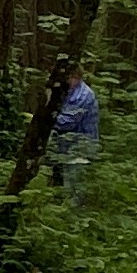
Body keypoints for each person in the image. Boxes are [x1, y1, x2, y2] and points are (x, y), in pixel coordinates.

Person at [50, 71, 102, 204]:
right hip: (66, 149)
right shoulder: (70, 92)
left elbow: (67, 122)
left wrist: (45, 120)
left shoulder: (83, 95)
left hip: (79, 150)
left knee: (74, 190)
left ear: (74, 77)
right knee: (63, 187)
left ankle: (75, 217)